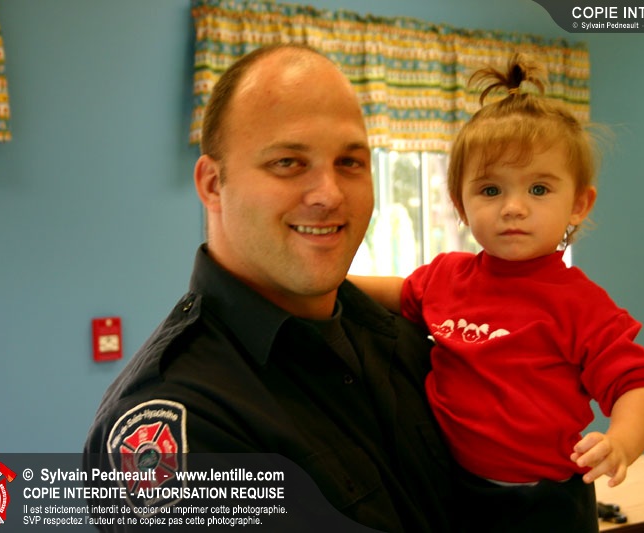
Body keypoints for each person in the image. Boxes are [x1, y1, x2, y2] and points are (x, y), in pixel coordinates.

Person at [83, 43, 454, 532]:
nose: (329, 194)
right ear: (212, 183)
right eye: (288, 162)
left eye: (349, 162)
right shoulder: (177, 420)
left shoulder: (411, 341)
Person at [350, 53, 644, 532]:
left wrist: (621, 442)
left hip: (546, 502)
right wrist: (331, 280)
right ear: (461, 204)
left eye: (539, 189)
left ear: (579, 204)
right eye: (491, 191)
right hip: (454, 488)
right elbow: (397, 292)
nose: (513, 208)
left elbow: (634, 386)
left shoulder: (581, 305)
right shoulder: (446, 277)